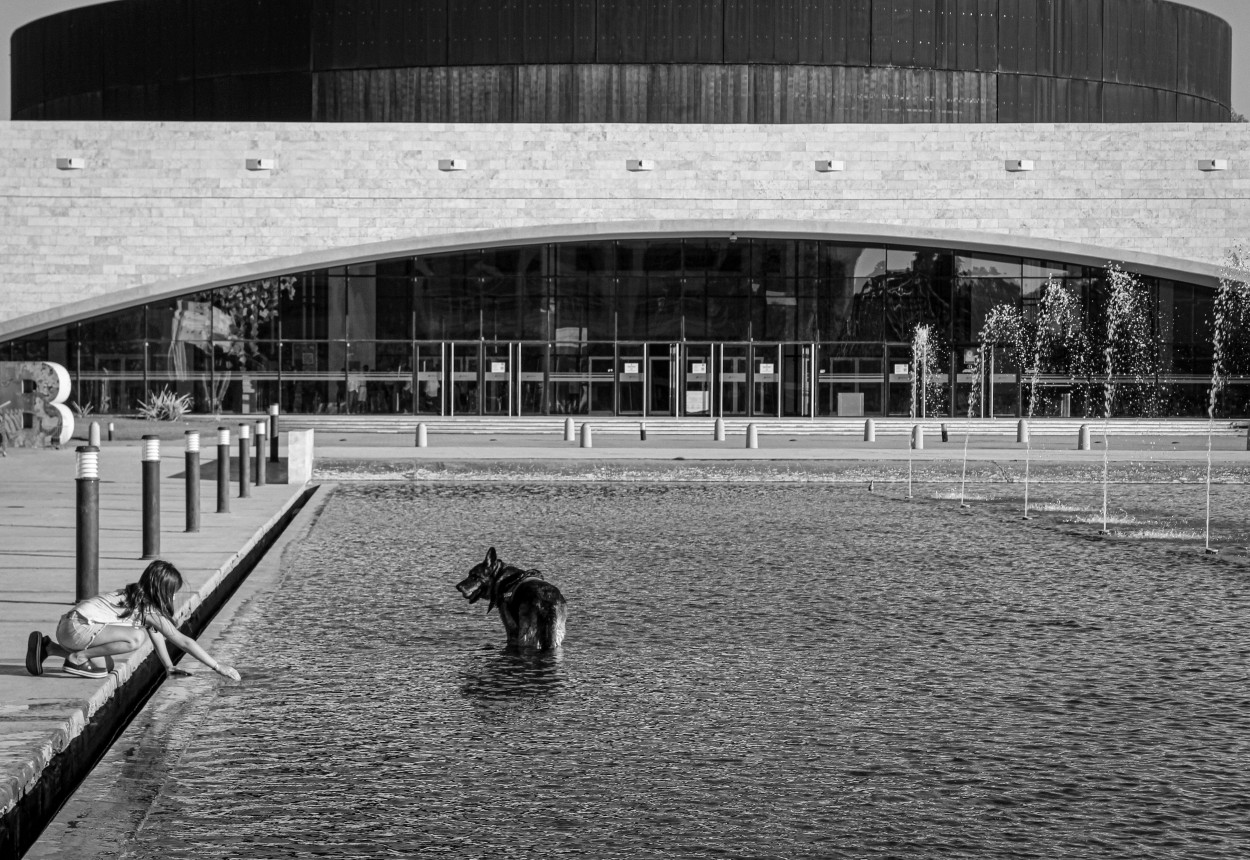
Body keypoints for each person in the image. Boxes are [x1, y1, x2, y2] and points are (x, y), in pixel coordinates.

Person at [25, 559, 241, 681]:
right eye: (173, 592)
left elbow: (157, 636)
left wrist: (168, 666)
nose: (174, 597)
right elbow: (182, 640)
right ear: (161, 590)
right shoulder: (148, 609)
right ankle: (80, 656)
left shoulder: (135, 595)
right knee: (135, 639)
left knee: (105, 666)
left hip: (68, 625)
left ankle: (48, 648)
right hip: (78, 630)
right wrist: (217, 666)